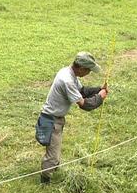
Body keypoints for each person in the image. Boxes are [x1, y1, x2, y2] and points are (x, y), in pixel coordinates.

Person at [36, 52, 108, 184]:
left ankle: (53, 170)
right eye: (88, 70)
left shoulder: (69, 73)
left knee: (54, 149)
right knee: (53, 156)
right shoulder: (67, 80)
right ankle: (45, 182)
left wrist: (99, 90)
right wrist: (100, 97)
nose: (89, 73)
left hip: (56, 119)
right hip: (51, 121)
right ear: (81, 68)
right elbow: (84, 105)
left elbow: (82, 91)